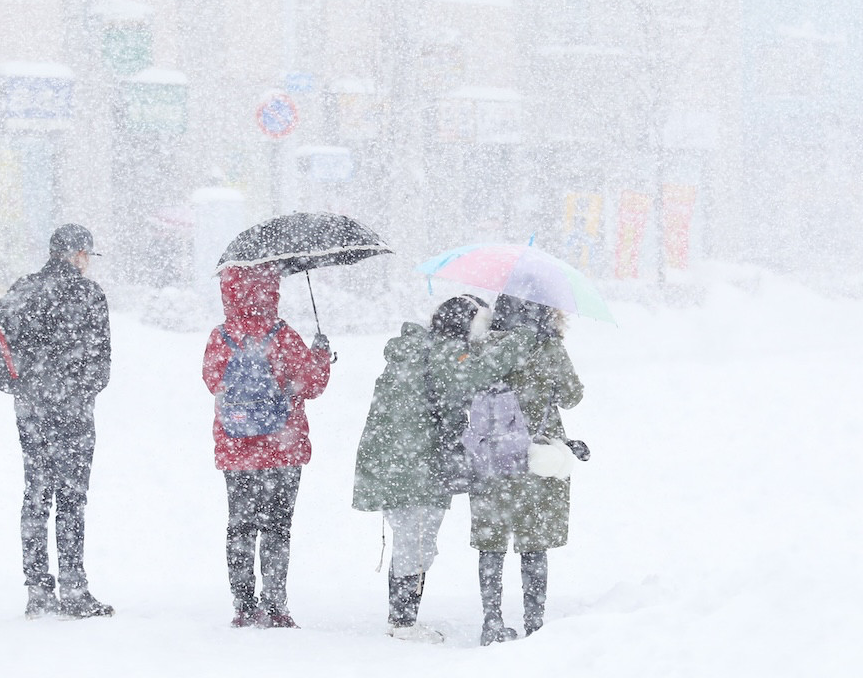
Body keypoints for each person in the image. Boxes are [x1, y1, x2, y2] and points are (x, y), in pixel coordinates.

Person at [351, 294, 534, 643]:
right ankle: (403, 624)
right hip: (415, 465)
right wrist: (522, 337)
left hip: (394, 461)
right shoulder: (444, 354)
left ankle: (400, 618)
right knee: (415, 543)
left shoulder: (417, 351)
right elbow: (479, 374)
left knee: (411, 539)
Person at [0, 223, 114, 619]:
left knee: (36, 494)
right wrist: (78, 389)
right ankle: (74, 588)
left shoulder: (22, 290)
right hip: (74, 410)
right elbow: (101, 363)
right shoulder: (89, 296)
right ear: (78, 254)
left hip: (31, 409)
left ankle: (38, 590)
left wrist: (26, 385)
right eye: (87, 255)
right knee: (72, 499)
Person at [202, 264, 333, 629]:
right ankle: (275, 605)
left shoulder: (220, 336)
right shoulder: (283, 336)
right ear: (270, 291)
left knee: (240, 526)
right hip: (282, 448)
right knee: (277, 526)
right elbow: (311, 385)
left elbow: (213, 382)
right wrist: (320, 355)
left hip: (236, 447)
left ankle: (243, 606)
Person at [470, 295, 587, 645]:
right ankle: (535, 623)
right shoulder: (546, 347)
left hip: (491, 456)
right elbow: (571, 396)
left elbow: (465, 388)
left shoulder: (482, 346)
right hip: (537, 456)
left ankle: (491, 622)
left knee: (491, 543)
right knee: (533, 544)